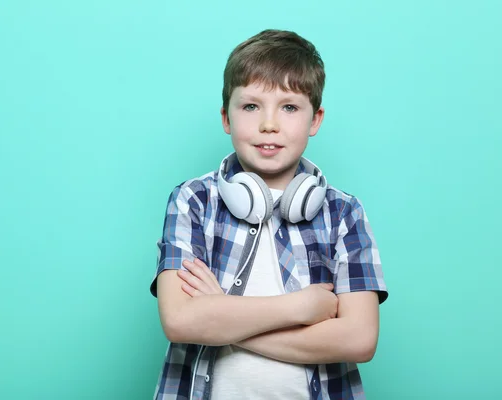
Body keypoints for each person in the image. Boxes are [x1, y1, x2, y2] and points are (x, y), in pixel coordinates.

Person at [150, 29, 388, 400]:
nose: (269, 124)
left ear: (315, 120)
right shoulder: (193, 201)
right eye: (250, 106)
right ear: (226, 117)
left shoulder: (344, 213)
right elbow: (180, 321)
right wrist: (301, 307)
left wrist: (223, 316)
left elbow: (359, 340)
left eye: (289, 107)